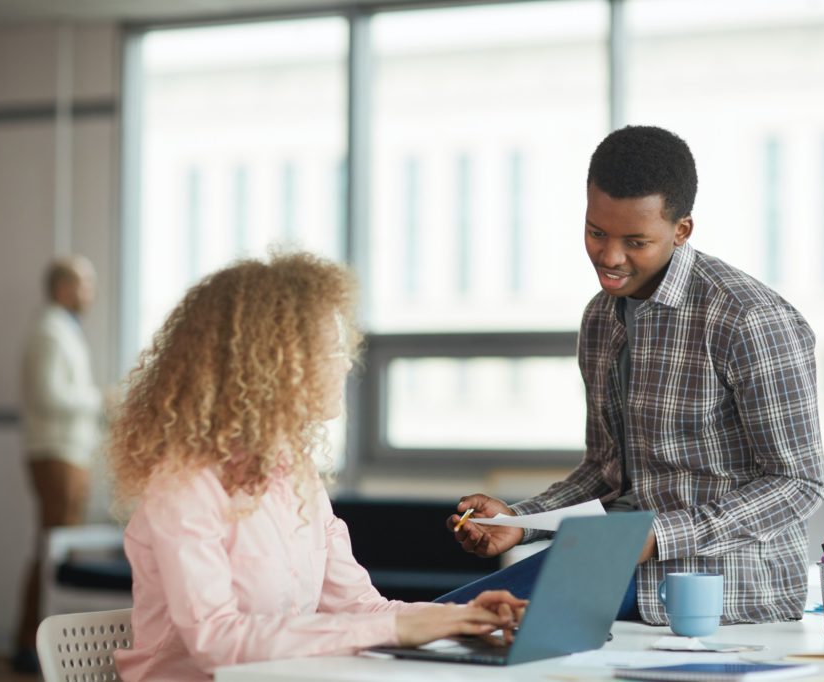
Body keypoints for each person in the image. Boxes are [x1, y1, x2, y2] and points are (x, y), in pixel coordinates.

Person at [446, 125, 824, 625]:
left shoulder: (747, 318)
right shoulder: (601, 318)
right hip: (611, 560)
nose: (610, 257)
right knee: (436, 625)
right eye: (596, 232)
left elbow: (798, 482)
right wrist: (520, 521)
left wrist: (661, 537)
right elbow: (606, 473)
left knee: (451, 628)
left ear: (681, 230)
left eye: (636, 241)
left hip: (726, 586)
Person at [107, 253, 526, 682]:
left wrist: (463, 618)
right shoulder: (184, 485)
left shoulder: (296, 473)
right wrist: (402, 628)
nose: (347, 364)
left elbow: (362, 609)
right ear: (271, 364)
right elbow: (218, 642)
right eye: (331, 350)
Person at [13, 255, 103, 673]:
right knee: (53, 546)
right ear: (64, 289)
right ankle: (33, 642)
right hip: (56, 451)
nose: (91, 292)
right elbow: (51, 397)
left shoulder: (64, 329)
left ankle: (43, 642)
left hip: (68, 450)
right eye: (85, 284)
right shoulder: (50, 332)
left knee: (57, 545)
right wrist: (100, 400)